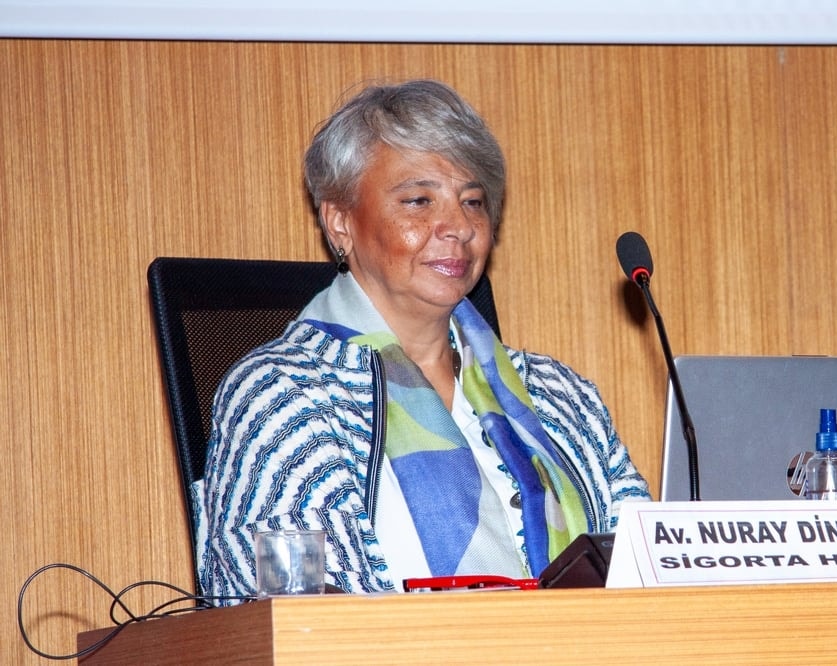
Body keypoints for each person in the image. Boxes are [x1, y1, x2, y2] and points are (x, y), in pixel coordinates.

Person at [194, 79, 650, 599]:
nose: (456, 226)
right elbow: (291, 615)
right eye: (418, 200)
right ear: (340, 221)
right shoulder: (282, 395)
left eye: (473, 202)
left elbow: (652, 572)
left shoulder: (559, 395)